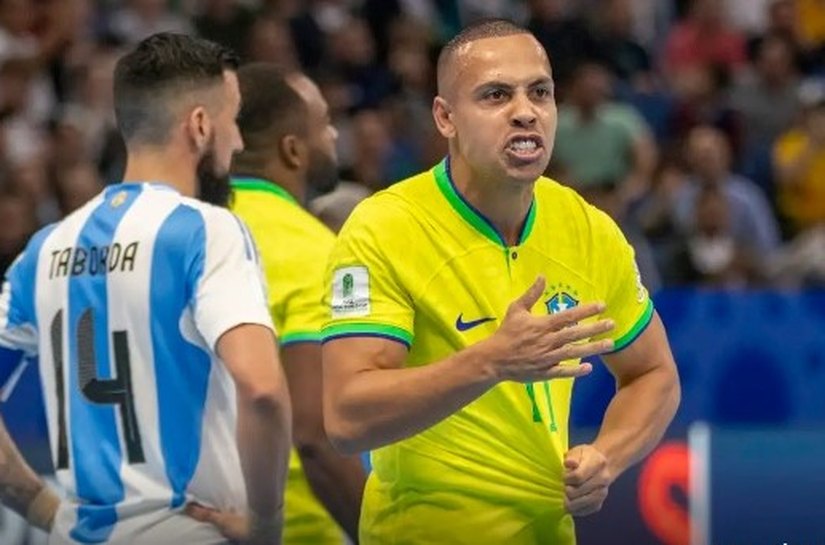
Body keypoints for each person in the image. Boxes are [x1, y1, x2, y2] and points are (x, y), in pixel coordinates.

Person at [321, 19, 681, 545]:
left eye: (540, 92)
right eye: (495, 95)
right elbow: (347, 418)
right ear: (445, 117)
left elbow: (653, 373)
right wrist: (491, 361)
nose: (524, 111)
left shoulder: (588, 229)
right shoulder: (385, 227)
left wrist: (608, 454)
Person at [0, 33, 291, 545]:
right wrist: (266, 525)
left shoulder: (43, 249)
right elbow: (263, 389)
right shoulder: (206, 230)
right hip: (186, 531)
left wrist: (40, 506)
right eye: (233, 120)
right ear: (200, 126)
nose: (239, 142)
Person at [189, 63, 366, 544]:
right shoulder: (317, 250)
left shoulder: (182, 233)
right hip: (294, 525)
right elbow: (314, 438)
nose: (333, 134)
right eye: (324, 123)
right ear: (294, 149)